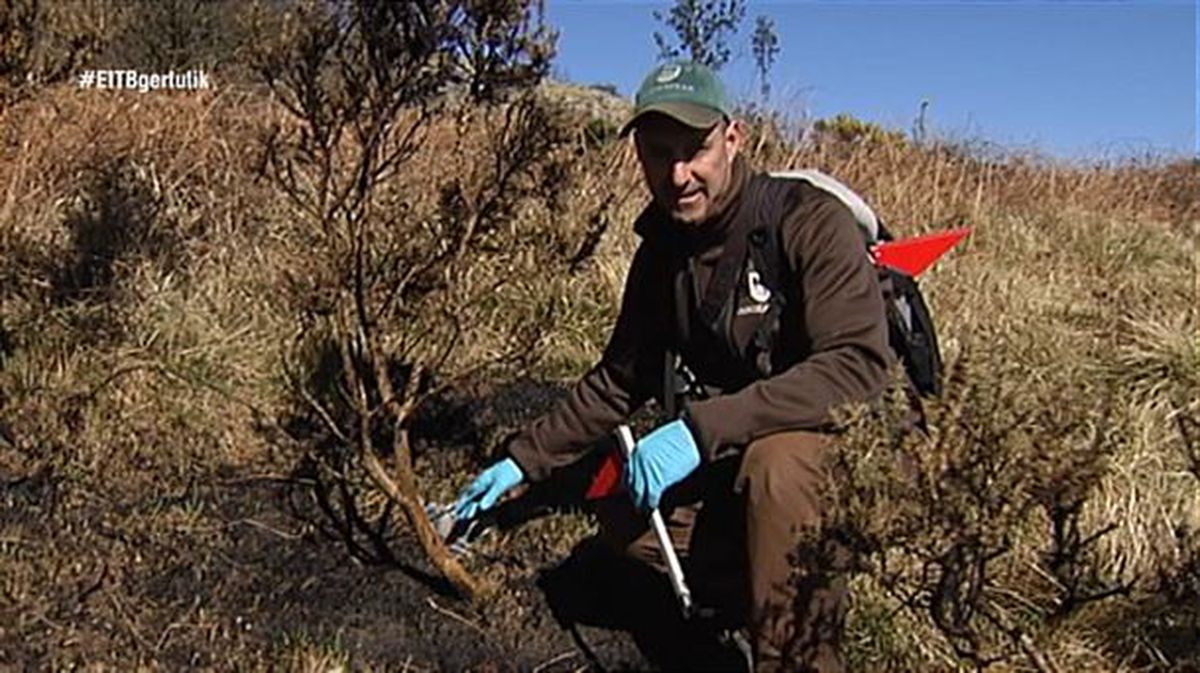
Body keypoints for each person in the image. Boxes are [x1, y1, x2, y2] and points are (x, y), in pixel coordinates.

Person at [453, 60, 892, 672]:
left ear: (733, 139)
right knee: (623, 511)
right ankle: (763, 589)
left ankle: (795, 657)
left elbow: (857, 367)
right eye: (659, 154)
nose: (678, 175)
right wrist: (520, 461)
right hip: (738, 457)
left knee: (778, 465)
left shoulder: (806, 220)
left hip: (836, 458)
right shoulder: (663, 250)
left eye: (697, 151)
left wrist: (698, 430)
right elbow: (619, 379)